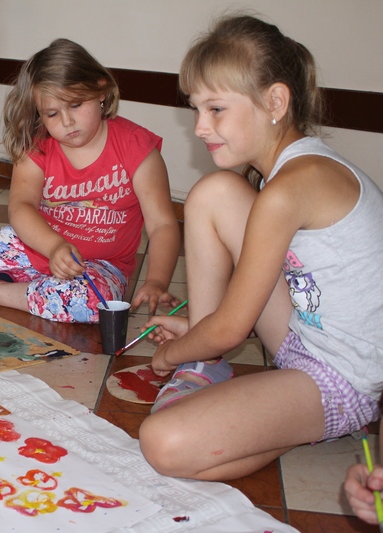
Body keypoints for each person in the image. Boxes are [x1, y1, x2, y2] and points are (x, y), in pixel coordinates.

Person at [138, 15, 383, 481]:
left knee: (163, 443)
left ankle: (298, 421)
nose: (200, 127)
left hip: (342, 379)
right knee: (213, 192)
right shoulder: (291, 171)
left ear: (275, 101)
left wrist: (169, 355)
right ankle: (206, 360)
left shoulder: (291, 187)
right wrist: (200, 333)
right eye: (195, 109)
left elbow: (233, 328)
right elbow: (244, 309)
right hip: (303, 337)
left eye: (215, 109)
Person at [0, 38, 180, 323]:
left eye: (76, 105)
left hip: (100, 266)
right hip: (34, 247)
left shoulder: (137, 148)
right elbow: (21, 207)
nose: (67, 122)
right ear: (39, 112)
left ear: (101, 90)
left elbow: (162, 225)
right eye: (52, 113)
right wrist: (53, 248)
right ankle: (35, 288)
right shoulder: (37, 146)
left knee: (90, 305)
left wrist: (156, 281)